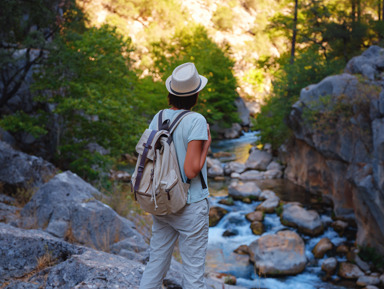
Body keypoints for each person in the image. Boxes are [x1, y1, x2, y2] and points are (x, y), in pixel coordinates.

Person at [139, 62, 211, 289]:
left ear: (171, 93)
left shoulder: (158, 117)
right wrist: (207, 145)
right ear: (195, 95)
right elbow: (191, 171)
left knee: (156, 264)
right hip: (190, 204)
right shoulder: (197, 120)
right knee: (193, 276)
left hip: (162, 200)